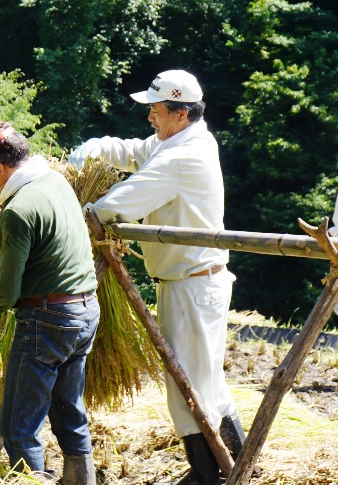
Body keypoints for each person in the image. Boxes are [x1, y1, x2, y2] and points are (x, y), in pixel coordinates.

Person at [71, 70, 245, 485]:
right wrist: (96, 147)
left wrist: (80, 212)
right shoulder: (185, 139)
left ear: (181, 113)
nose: (150, 116)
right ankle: (235, 464)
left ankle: (208, 473)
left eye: (156, 110)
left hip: (191, 284)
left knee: (187, 384)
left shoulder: (181, 157)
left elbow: (120, 204)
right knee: (207, 381)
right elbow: (135, 152)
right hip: (194, 281)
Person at [0, 120, 99, 485]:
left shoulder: (18, 209)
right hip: (85, 313)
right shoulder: (56, 182)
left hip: (47, 320)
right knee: (69, 412)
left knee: (18, 427)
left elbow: (4, 295)